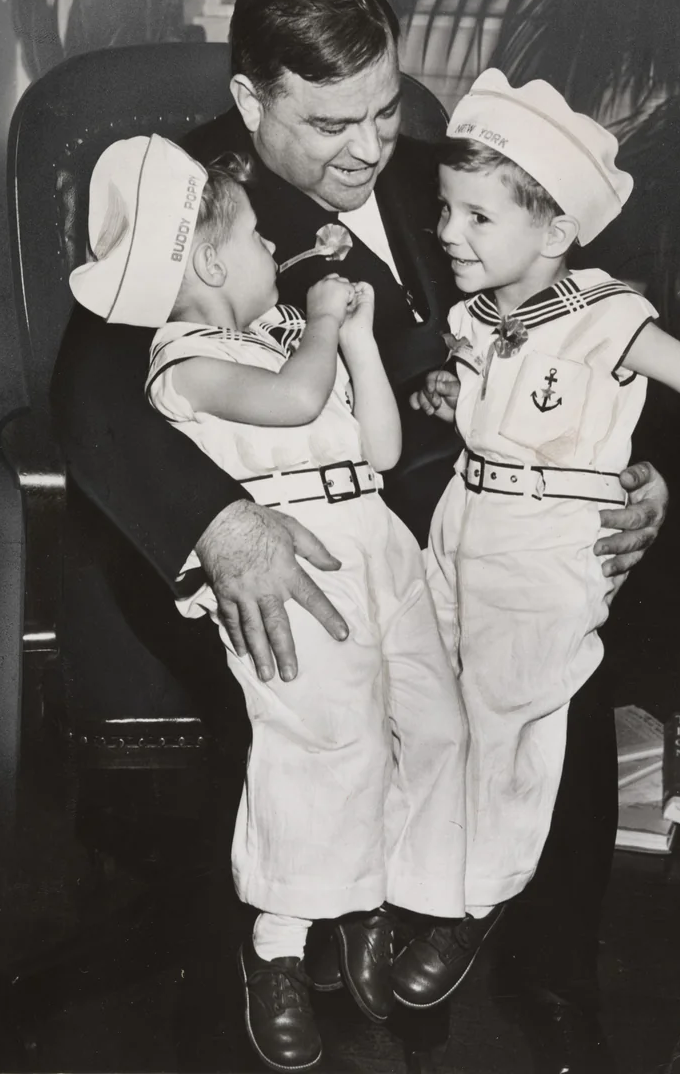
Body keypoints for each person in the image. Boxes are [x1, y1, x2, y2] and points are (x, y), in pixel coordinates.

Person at [50, 0, 668, 1066]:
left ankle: (551, 981)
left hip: (458, 512)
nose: (371, 147)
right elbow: (91, 389)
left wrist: (638, 469)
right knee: (337, 703)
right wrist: (218, 527)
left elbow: (598, 327)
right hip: (277, 532)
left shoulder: (454, 173)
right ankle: (299, 952)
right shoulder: (196, 203)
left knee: (556, 672)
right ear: (251, 101)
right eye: (332, 122)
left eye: (385, 110)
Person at [391, 69, 680, 1020]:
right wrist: (449, 396)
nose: (447, 234)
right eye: (445, 210)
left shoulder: (604, 318)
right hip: (462, 529)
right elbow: (484, 408)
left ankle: (474, 904)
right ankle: (427, 885)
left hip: (545, 545)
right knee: (431, 704)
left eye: (477, 218)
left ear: (553, 233)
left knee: (512, 726)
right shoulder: (474, 320)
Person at [68, 136, 469, 1073]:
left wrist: (359, 339)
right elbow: (293, 404)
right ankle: (279, 945)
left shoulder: (286, 334)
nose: (271, 252)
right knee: (324, 741)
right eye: (254, 238)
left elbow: (373, 450)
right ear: (209, 261)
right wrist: (326, 328)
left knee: (433, 724)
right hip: (291, 566)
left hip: (375, 542)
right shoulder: (182, 360)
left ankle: (381, 900)